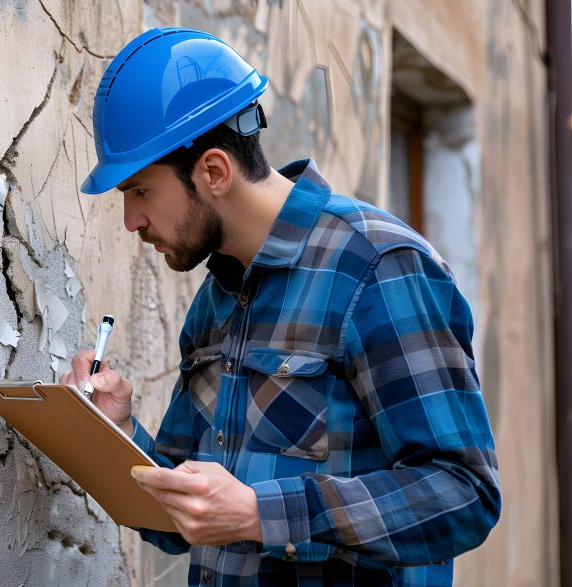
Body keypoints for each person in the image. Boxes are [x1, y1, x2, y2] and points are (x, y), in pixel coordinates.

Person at [61, 27, 500, 586]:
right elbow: (182, 520)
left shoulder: (376, 266)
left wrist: (259, 515)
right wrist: (117, 432)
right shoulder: (216, 299)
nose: (131, 221)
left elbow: (464, 493)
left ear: (214, 172)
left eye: (140, 191)